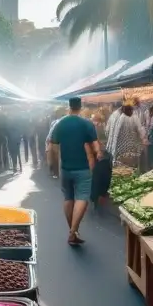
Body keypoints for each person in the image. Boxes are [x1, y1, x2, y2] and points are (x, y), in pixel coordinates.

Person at [51, 97, 99, 246]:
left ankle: (73, 231)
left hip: (66, 168)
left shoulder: (60, 124)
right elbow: (95, 146)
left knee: (68, 198)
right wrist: (96, 157)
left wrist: (56, 166)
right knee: (82, 198)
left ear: (69, 107)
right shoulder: (86, 124)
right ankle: (73, 232)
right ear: (81, 107)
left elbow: (53, 146)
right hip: (82, 168)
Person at [108, 104, 146, 168]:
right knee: (133, 166)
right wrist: (143, 137)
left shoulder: (120, 118)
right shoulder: (134, 117)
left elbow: (114, 134)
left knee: (124, 167)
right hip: (133, 147)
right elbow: (140, 131)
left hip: (121, 149)